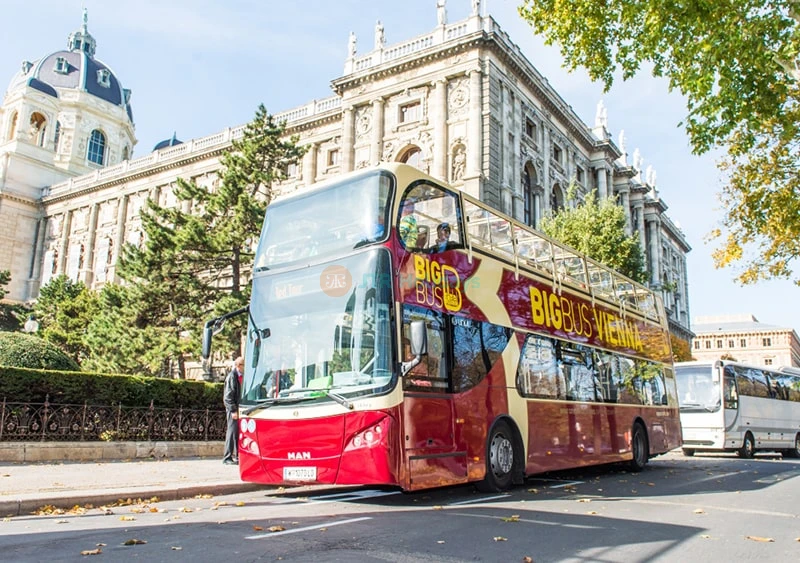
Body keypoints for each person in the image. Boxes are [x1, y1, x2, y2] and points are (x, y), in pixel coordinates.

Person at [222, 356, 243, 465]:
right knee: (231, 432)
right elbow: (228, 397)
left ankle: (238, 455)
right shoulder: (232, 377)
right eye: (244, 365)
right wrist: (233, 410)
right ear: (239, 366)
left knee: (237, 432)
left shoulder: (239, 376)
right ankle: (227, 457)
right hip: (233, 410)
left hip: (238, 408)